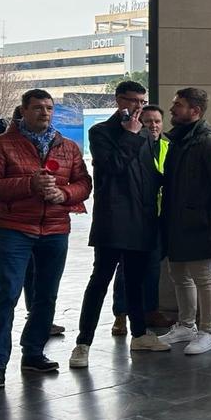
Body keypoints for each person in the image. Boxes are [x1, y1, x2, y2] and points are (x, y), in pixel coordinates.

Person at [0, 89, 92, 389]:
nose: (45, 113)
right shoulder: (1, 145)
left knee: (46, 296)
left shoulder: (68, 147)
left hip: (55, 230)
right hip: (14, 228)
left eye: (50, 108)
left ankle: (33, 354)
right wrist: (30, 184)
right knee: (7, 295)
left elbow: (84, 184)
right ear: (23, 111)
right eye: (39, 108)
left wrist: (63, 193)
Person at [69, 81, 171, 369]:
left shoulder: (147, 136)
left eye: (142, 100)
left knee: (136, 282)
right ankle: (83, 342)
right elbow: (112, 167)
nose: (138, 106)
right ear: (118, 100)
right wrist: (130, 136)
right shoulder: (100, 132)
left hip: (143, 218)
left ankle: (139, 334)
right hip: (113, 220)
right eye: (133, 100)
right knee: (100, 280)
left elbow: (150, 176)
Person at [159, 87, 211, 356]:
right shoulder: (179, 139)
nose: (172, 109)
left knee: (202, 276)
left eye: (178, 105)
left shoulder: (208, 141)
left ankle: (207, 330)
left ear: (195, 111)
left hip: (201, 221)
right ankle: (186, 324)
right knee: (178, 274)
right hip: (177, 219)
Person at [0, 111, 40, 347]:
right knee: (3, 273)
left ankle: (37, 319)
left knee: (33, 271)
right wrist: (20, 185)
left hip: (38, 216)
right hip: (3, 214)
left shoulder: (43, 143)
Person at [113, 104, 174, 331]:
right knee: (125, 268)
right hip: (135, 216)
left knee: (153, 267)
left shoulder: (169, 144)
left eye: (157, 121)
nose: (153, 126)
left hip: (159, 216)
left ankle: (151, 310)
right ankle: (120, 313)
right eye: (148, 122)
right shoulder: (134, 144)